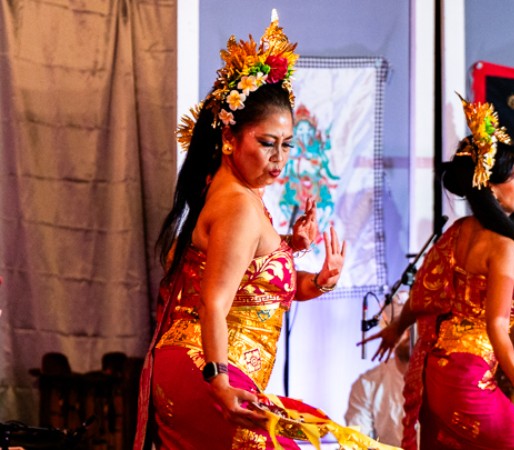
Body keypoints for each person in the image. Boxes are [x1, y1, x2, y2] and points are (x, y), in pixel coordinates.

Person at [134, 14, 350, 449]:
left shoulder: (230, 194)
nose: (279, 158)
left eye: (286, 145)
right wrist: (219, 381)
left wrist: (313, 274)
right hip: (210, 370)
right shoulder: (238, 207)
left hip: (196, 366)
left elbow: (250, 287)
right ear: (230, 137)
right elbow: (214, 303)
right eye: (267, 143)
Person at [363, 97, 514, 450]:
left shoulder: (459, 231)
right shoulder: (504, 246)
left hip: (438, 373)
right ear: (491, 186)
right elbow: (496, 325)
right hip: (468, 378)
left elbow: (424, 292)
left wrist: (397, 327)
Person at [345, 323, 410, 446]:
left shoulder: (448, 380)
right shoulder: (368, 384)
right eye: (406, 322)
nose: (411, 333)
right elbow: (356, 443)